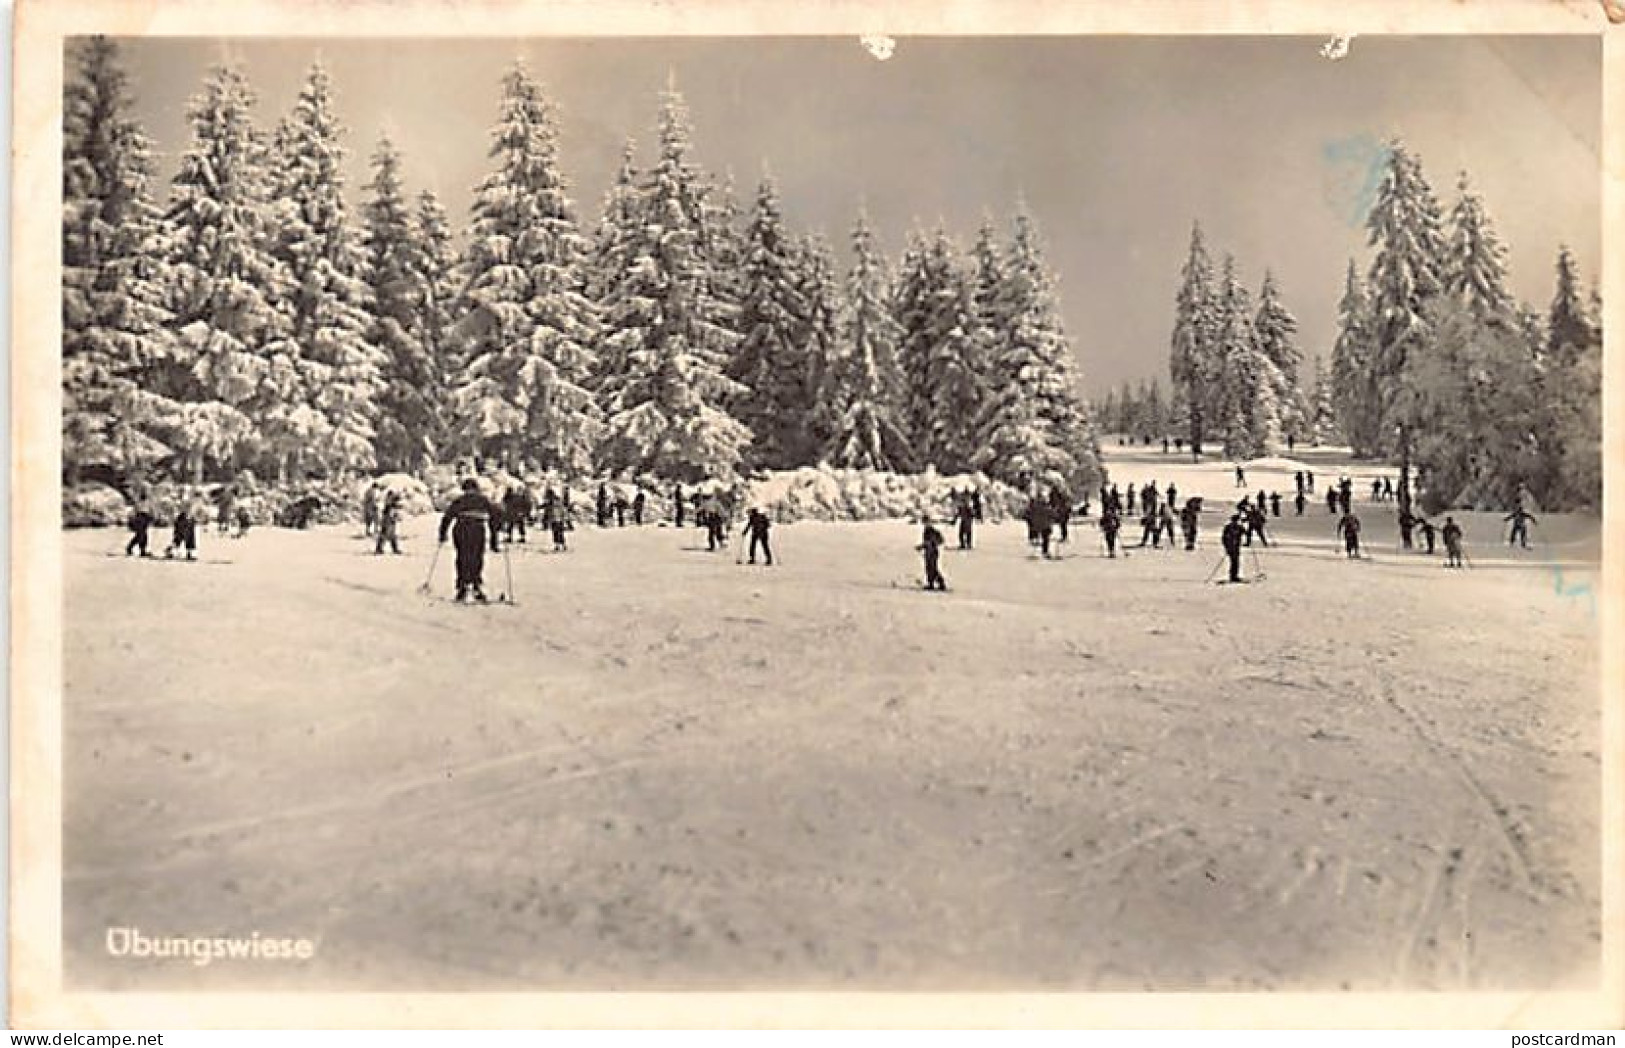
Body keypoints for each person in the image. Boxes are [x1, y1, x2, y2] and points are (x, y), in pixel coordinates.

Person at [438, 478, 502, 603]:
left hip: (461, 529)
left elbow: (447, 517)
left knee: (462, 557)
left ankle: (462, 586)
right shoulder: (483, 500)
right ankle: (476, 585)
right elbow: (495, 516)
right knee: (477, 557)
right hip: (477, 530)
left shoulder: (459, 500)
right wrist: (495, 537)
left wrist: (442, 534)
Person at [918, 515, 948, 591]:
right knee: (929, 569)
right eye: (924, 522)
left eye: (926, 522)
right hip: (929, 552)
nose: (925, 524)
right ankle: (931, 583)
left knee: (932, 569)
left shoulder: (932, 531)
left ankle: (940, 583)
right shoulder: (926, 531)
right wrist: (922, 546)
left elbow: (939, 540)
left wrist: (929, 544)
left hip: (933, 552)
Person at [1027, 492, 1055, 558]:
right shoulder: (1046, 508)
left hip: (1037, 525)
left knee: (1040, 537)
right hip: (1045, 525)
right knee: (1045, 538)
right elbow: (1052, 514)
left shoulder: (1034, 507)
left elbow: (1030, 514)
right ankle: (1045, 552)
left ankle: (1038, 550)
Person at [375, 490, 403, 555]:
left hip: (389, 521)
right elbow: (390, 510)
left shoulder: (390, 504)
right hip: (388, 521)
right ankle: (379, 549)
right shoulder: (389, 504)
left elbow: (393, 510)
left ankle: (394, 549)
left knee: (392, 536)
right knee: (384, 535)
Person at [1220, 513, 1245, 583]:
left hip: (1236, 547)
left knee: (1236, 562)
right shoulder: (1228, 527)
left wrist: (1242, 525)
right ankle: (1232, 576)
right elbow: (1224, 538)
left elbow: (1244, 532)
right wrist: (1226, 547)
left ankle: (1234, 576)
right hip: (1231, 547)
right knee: (1233, 562)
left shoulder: (1239, 527)